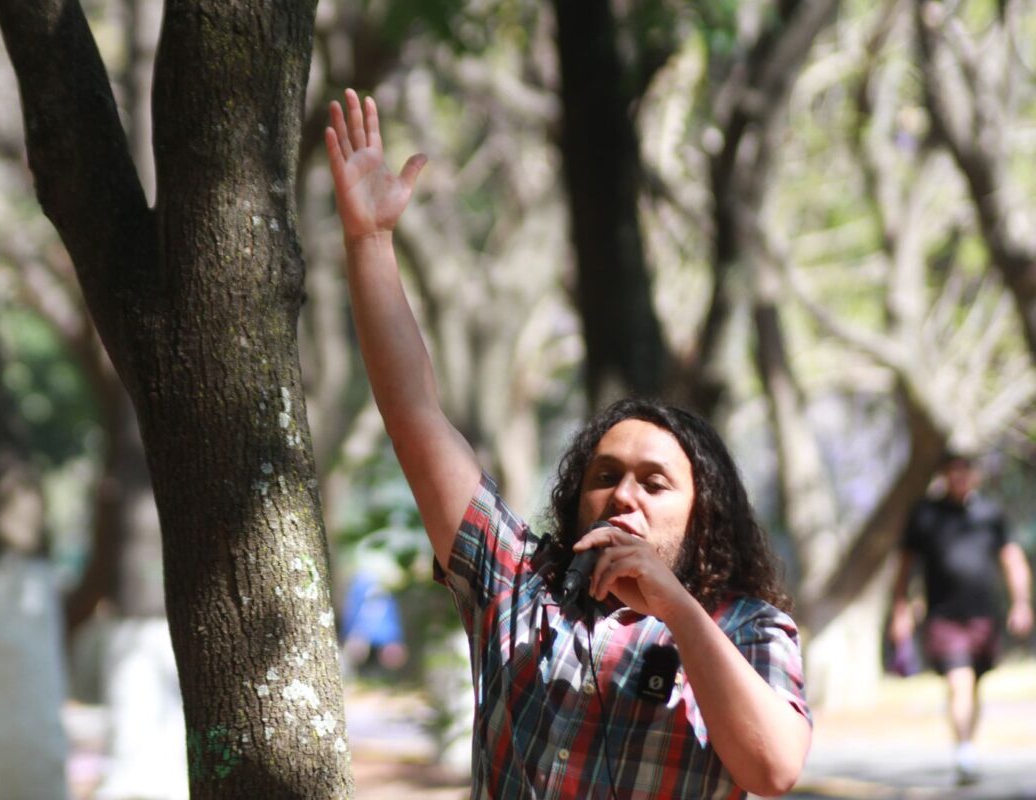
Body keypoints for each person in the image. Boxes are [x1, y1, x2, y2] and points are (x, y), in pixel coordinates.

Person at [325, 88, 812, 798]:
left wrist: (674, 608)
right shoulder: (516, 586)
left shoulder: (747, 627)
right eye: (605, 474)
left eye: (655, 482)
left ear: (703, 514)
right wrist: (369, 243)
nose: (623, 493)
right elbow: (414, 415)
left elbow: (774, 769)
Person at [890, 452, 1033, 785]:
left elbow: (1012, 561)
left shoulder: (990, 515)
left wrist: (1021, 603)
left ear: (975, 476)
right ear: (943, 476)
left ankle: (967, 743)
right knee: (960, 681)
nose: (958, 479)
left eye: (964, 472)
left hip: (984, 614)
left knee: (974, 683)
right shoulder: (925, 515)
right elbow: (904, 567)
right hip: (944, 616)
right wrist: (901, 608)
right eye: (951, 473)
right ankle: (964, 752)